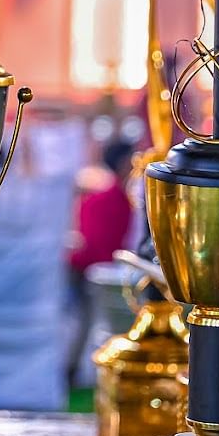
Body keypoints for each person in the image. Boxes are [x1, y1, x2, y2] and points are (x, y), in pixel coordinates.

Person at [65, 137, 136, 386]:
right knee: (88, 324)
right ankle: (77, 372)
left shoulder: (115, 199)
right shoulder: (107, 200)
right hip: (96, 273)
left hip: (101, 271)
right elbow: (96, 243)